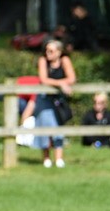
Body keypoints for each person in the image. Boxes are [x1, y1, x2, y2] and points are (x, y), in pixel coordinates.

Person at [33, 39, 77, 168]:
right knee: (45, 126)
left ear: (59, 52)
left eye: (51, 51)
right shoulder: (43, 61)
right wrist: (61, 84)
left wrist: (63, 84)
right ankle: (46, 158)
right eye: (46, 50)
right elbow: (44, 79)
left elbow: (72, 78)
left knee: (58, 126)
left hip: (58, 100)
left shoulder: (65, 60)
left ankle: (58, 158)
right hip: (44, 98)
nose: (48, 53)